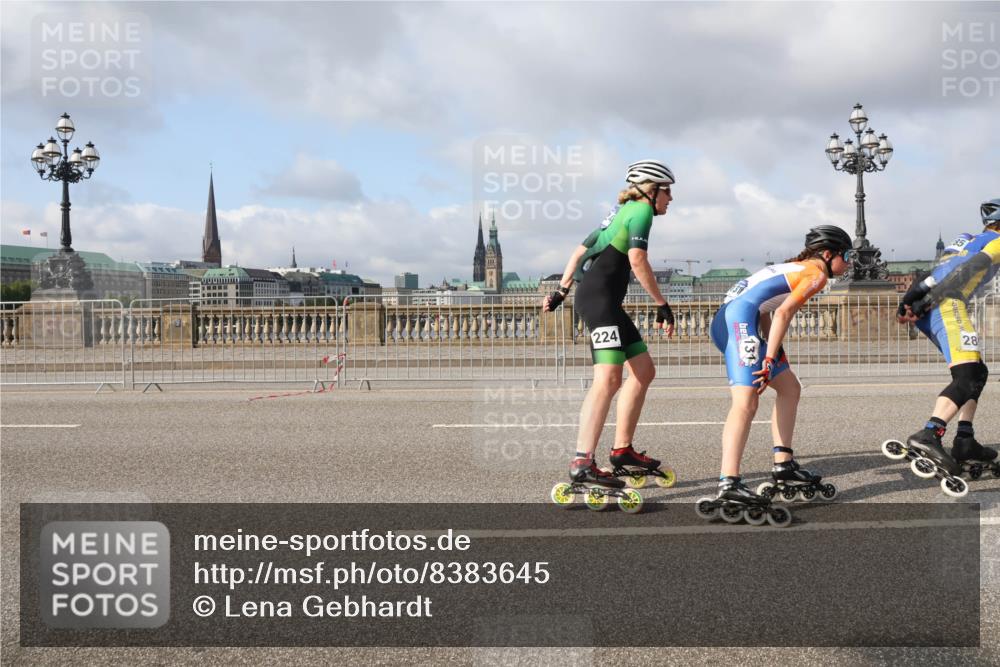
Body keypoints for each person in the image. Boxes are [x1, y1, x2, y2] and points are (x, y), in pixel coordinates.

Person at [544, 159, 676, 495]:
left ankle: (622, 450)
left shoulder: (619, 212)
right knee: (609, 379)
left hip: (603, 301)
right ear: (652, 190)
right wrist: (661, 304)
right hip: (599, 302)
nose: (670, 199)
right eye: (667, 191)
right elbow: (637, 259)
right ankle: (582, 461)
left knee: (644, 371)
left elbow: (581, 250)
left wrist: (562, 289)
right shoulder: (641, 212)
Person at [707, 225, 854, 510]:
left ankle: (783, 463)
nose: (848, 263)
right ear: (827, 254)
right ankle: (728, 482)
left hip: (737, 317)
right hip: (737, 321)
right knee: (746, 402)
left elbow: (763, 307)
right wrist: (769, 356)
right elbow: (784, 312)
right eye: (846, 255)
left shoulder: (793, 267)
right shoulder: (817, 274)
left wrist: (770, 348)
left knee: (790, 388)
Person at [895, 198, 1000, 480]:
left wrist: (909, 299)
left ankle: (965, 439)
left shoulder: (966, 240)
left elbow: (930, 275)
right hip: (949, 305)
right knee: (966, 377)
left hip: (935, 309)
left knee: (977, 371)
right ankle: (930, 433)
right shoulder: (997, 242)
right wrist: (934, 299)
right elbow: (974, 267)